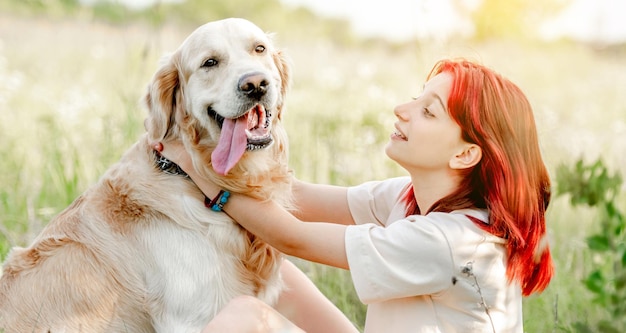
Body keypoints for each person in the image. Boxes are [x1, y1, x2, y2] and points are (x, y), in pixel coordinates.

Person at [154, 59, 554, 333]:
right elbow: (299, 198)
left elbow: (293, 236)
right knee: (276, 275)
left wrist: (198, 171)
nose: (402, 109)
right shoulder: (409, 196)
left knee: (245, 314)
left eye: (428, 112)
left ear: (465, 154)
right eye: (416, 97)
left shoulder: (451, 242)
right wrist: (219, 149)